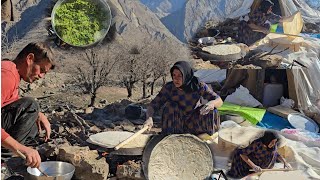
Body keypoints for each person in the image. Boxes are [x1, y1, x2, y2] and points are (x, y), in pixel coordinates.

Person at [1, 42, 55, 168]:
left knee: (33, 122)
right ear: (29, 59)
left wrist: (39, 114)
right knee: (31, 105)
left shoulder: (12, 72)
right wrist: (21, 149)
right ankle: (3, 160)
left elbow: (9, 101)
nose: (41, 76)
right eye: (41, 70)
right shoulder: (6, 75)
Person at [143, 61, 223, 136]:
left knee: (212, 111)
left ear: (186, 76)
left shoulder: (198, 85)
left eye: (179, 76)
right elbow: (153, 105)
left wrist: (211, 103)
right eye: (174, 75)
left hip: (194, 122)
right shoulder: (169, 88)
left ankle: (207, 140)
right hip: (176, 123)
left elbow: (219, 100)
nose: (175, 79)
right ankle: (171, 139)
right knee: (171, 106)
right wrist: (149, 118)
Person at [227, 131, 292, 178]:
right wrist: (254, 166)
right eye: (272, 142)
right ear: (267, 140)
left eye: (275, 142)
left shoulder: (273, 145)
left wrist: (285, 163)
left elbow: (276, 154)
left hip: (264, 168)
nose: (274, 144)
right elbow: (242, 154)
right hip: (255, 167)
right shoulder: (257, 144)